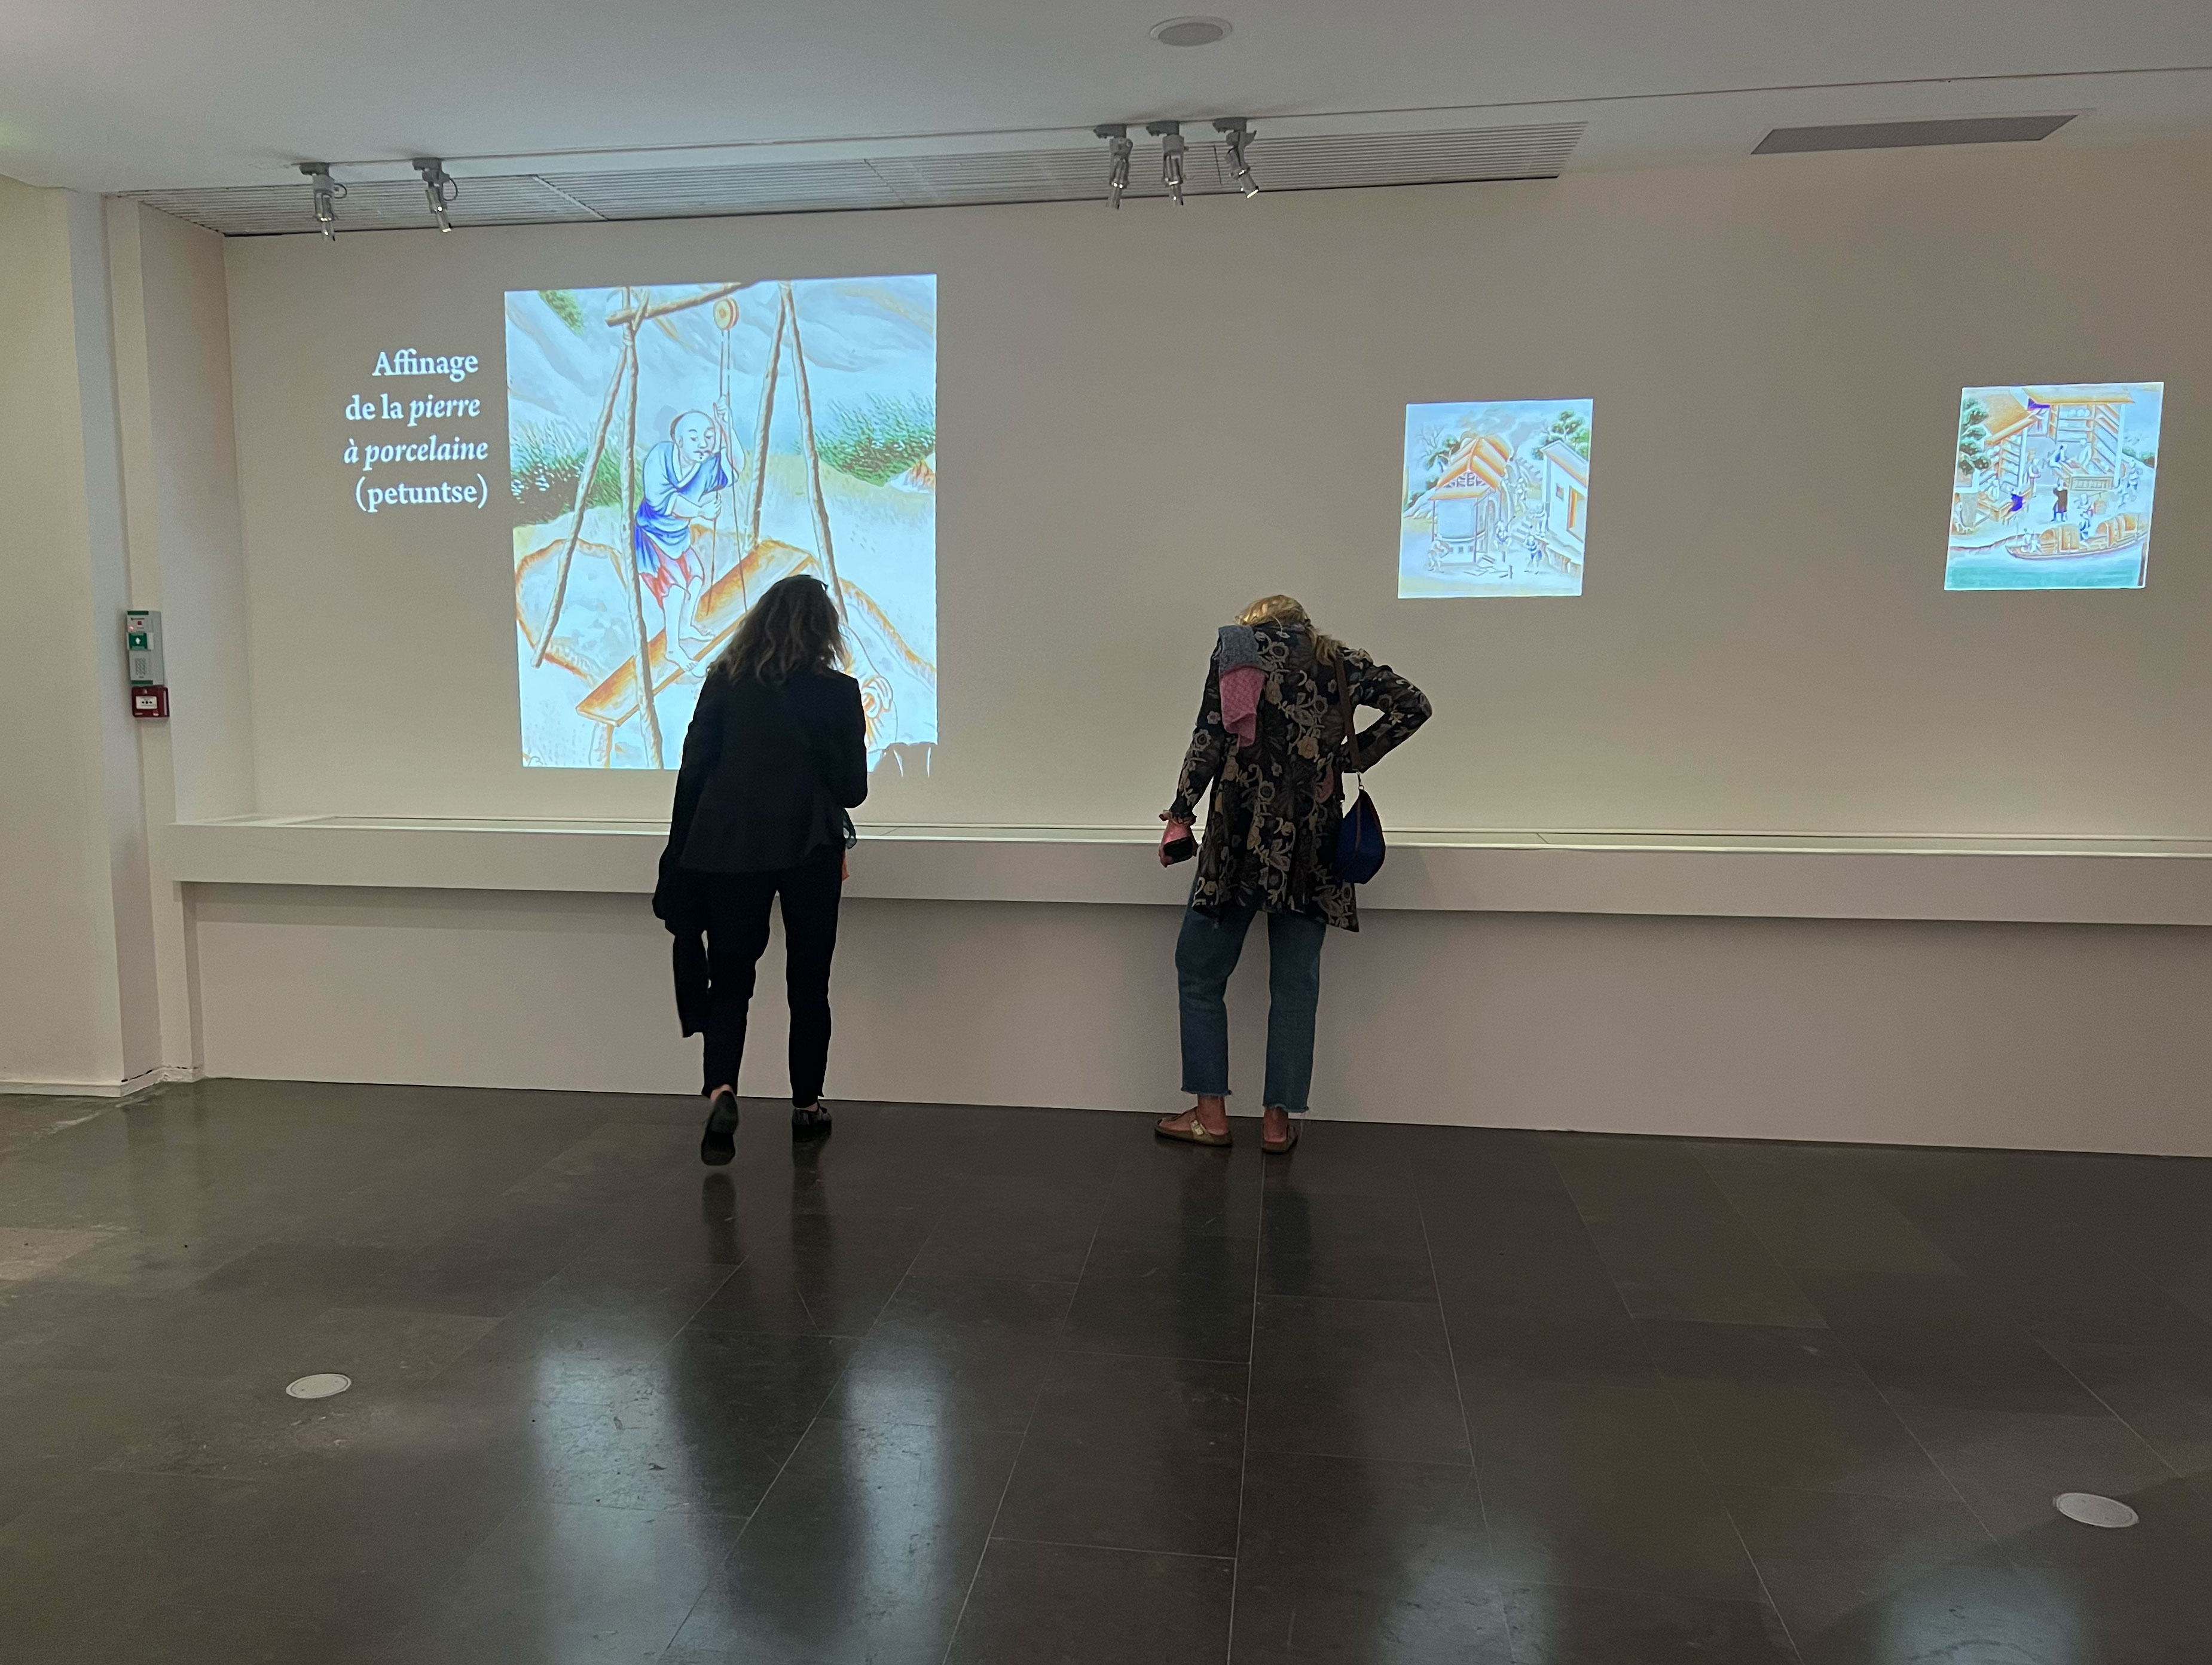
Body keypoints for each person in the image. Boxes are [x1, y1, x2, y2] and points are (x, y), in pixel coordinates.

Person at [1154, 595, 1431, 1154]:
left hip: (1238, 837)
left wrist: (1181, 814)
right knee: (1295, 986)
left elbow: (1208, 738)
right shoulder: (1338, 662)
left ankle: (1212, 1115)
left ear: (1256, 624)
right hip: (1311, 843)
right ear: (1304, 625)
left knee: (1199, 972)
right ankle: (1278, 1127)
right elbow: (1414, 705)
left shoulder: (1237, 653)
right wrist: (1351, 758)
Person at [652, 574, 867, 1164]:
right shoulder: (839, 692)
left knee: (731, 981)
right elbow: (853, 790)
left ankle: (722, 1088)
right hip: (810, 850)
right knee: (809, 982)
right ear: (825, 629)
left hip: (729, 852)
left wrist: (676, 857)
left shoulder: (723, 684)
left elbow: (692, 775)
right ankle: (806, 1106)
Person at [637, 407, 739, 671]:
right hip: (653, 535)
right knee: (675, 589)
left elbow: (735, 467)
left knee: (695, 577)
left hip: (679, 535)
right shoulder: (659, 458)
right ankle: (673, 648)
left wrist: (727, 427)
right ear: (678, 441)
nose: (703, 444)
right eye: (694, 438)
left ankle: (685, 627)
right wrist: (701, 512)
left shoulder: (704, 467)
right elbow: (663, 502)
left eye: (708, 436)